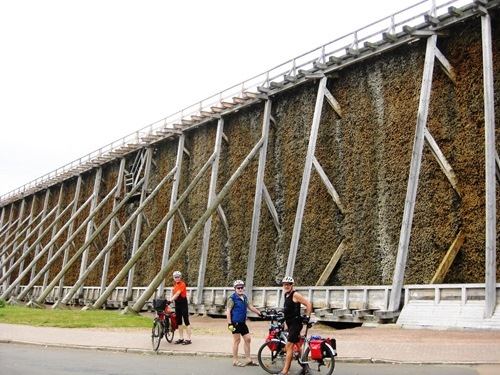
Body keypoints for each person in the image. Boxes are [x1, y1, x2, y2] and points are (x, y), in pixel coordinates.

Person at [279, 276, 312, 375]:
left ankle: (285, 371)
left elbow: (308, 304)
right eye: (285, 284)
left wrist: (307, 317)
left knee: (289, 346)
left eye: (288, 284)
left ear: (292, 285)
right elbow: (288, 310)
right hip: (290, 324)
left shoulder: (295, 294)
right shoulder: (286, 295)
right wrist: (284, 321)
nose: (287, 286)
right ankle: (305, 367)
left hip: (296, 324)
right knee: (298, 345)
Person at [226, 279, 262, 367]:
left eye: (242, 287)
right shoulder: (232, 298)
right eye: (238, 288)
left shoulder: (244, 297)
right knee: (237, 341)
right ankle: (235, 360)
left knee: (248, 339)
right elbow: (228, 311)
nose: (240, 289)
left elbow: (250, 306)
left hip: (242, 322)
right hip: (235, 322)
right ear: (235, 288)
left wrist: (259, 313)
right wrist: (229, 324)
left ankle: (248, 359)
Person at [168, 271, 192, 345]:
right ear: (174, 278)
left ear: (180, 277)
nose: (177, 278)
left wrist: (170, 300)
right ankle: (181, 338)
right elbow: (173, 295)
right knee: (179, 321)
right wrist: (169, 300)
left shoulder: (182, 284)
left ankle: (189, 339)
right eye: (175, 277)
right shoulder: (174, 286)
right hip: (177, 304)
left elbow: (178, 294)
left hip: (183, 304)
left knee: (186, 320)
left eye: (178, 277)